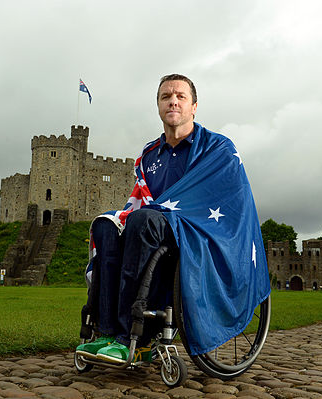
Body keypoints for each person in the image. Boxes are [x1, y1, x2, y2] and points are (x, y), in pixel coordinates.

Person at [76, 74, 270, 363]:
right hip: (151, 225)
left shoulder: (218, 148)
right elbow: (141, 198)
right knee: (106, 224)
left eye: (180, 96)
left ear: (194, 106)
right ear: (158, 106)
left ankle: (133, 335)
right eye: (166, 96)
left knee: (144, 221)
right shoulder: (149, 154)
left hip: (197, 230)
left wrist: (158, 213)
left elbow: (231, 200)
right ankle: (105, 332)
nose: (173, 101)